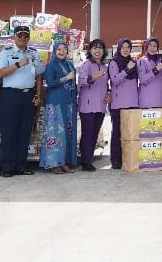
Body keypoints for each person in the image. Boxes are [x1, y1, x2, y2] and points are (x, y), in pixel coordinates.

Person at [0, 24, 45, 177]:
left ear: (29, 38)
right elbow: (0, 73)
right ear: (14, 37)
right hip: (11, 95)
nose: (23, 38)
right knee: (9, 131)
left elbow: (39, 75)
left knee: (25, 132)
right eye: (20, 36)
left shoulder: (34, 53)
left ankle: (21, 165)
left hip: (28, 95)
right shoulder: (6, 52)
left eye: (25, 36)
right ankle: (7, 166)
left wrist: (38, 95)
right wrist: (17, 64)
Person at [40, 42, 78, 173]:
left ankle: (64, 162)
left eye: (64, 49)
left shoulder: (70, 65)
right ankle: (53, 163)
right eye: (59, 49)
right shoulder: (51, 65)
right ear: (55, 51)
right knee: (55, 133)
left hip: (69, 103)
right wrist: (65, 78)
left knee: (67, 134)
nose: (62, 51)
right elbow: (50, 83)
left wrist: (74, 100)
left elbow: (73, 84)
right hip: (55, 103)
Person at [77, 38, 109, 172]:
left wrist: (109, 93)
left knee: (95, 133)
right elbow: (81, 80)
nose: (97, 50)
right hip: (88, 106)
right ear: (90, 50)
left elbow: (107, 85)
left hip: (100, 106)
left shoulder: (105, 67)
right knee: (88, 133)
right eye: (95, 48)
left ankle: (89, 158)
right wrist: (94, 77)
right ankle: (85, 161)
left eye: (100, 48)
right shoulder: (86, 64)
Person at [106, 38, 139, 170]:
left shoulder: (133, 62)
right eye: (123, 47)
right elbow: (115, 80)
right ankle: (116, 160)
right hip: (118, 104)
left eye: (128, 47)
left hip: (132, 103)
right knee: (117, 133)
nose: (125, 50)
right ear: (119, 48)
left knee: (130, 134)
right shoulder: (114, 63)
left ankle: (129, 158)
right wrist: (126, 69)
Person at [136, 37, 162, 108]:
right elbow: (142, 79)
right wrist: (155, 70)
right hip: (146, 100)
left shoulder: (160, 61)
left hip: (159, 100)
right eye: (150, 45)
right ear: (146, 47)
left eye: (154, 46)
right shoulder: (142, 61)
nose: (152, 48)